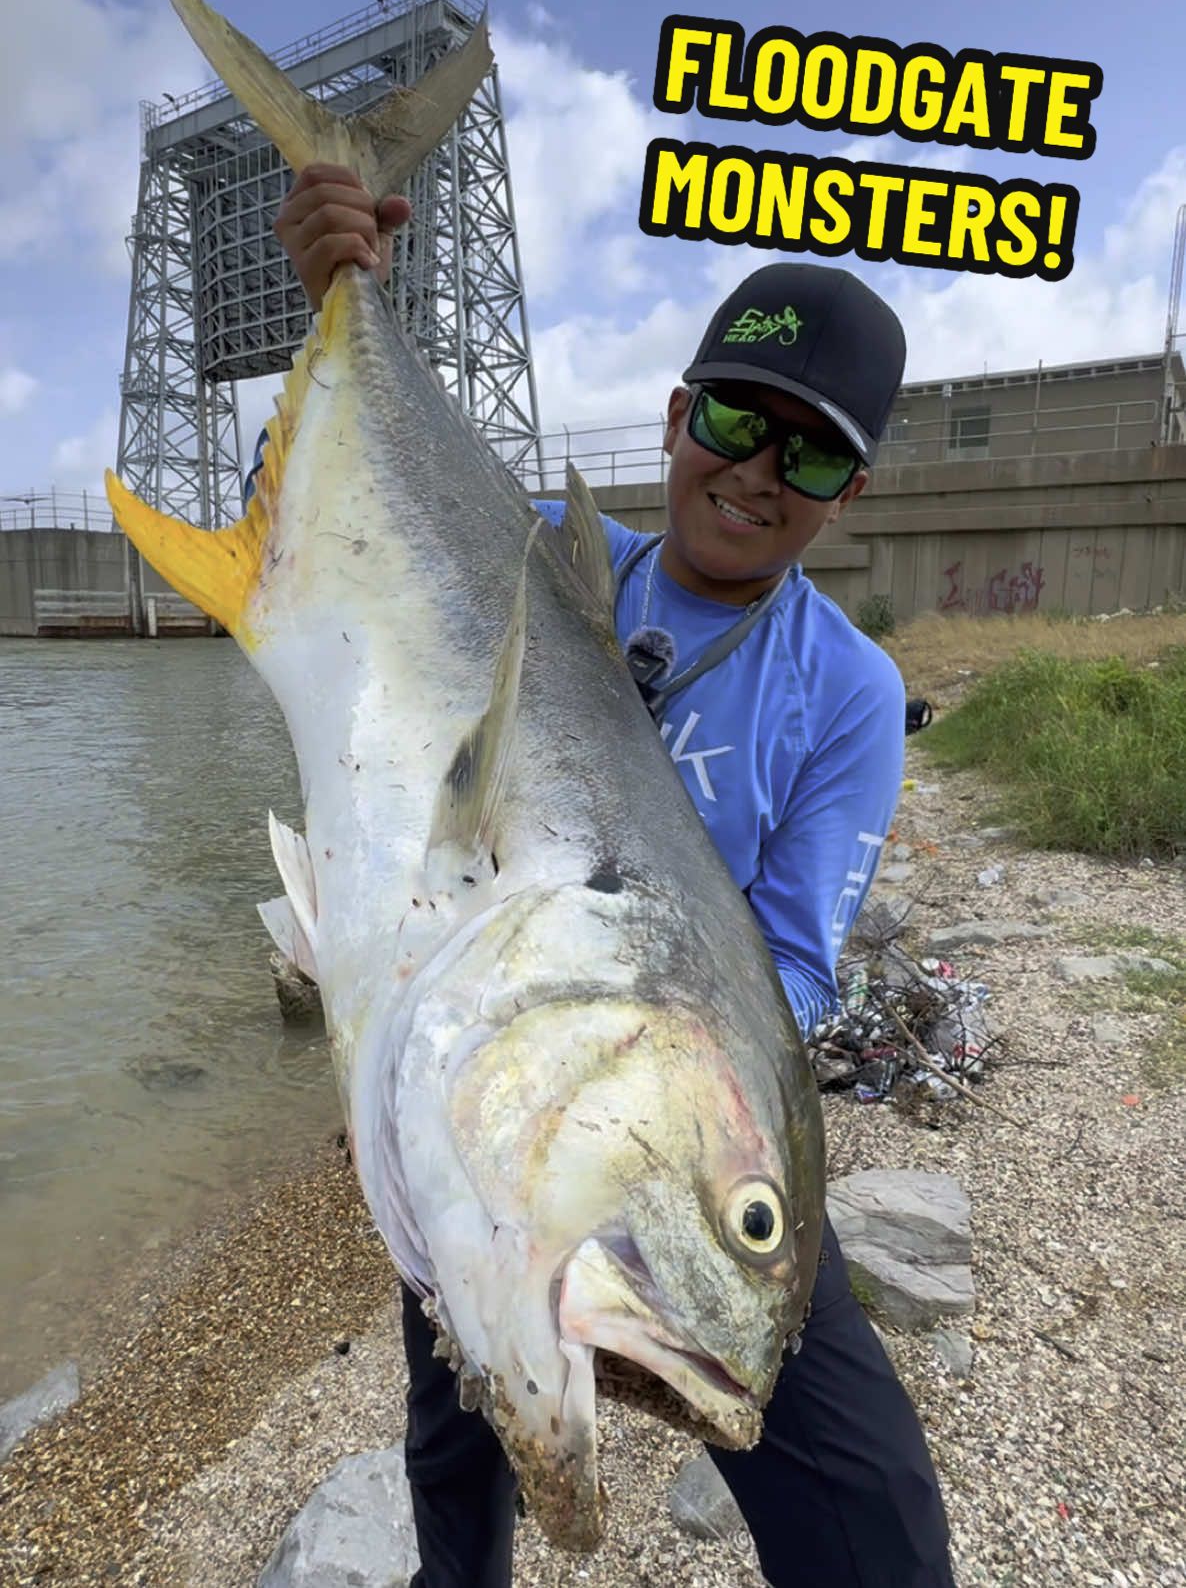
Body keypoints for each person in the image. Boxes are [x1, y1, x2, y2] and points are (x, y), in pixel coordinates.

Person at [265, 165, 959, 1588]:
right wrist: (335, 292)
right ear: (673, 419)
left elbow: (798, 963)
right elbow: (353, 535)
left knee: (869, 1498)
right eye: (731, 421)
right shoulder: (524, 561)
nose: (756, 473)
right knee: (457, 1428)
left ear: (848, 493)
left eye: (809, 457)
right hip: (476, 1067)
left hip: (673, 1126)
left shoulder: (846, 690)